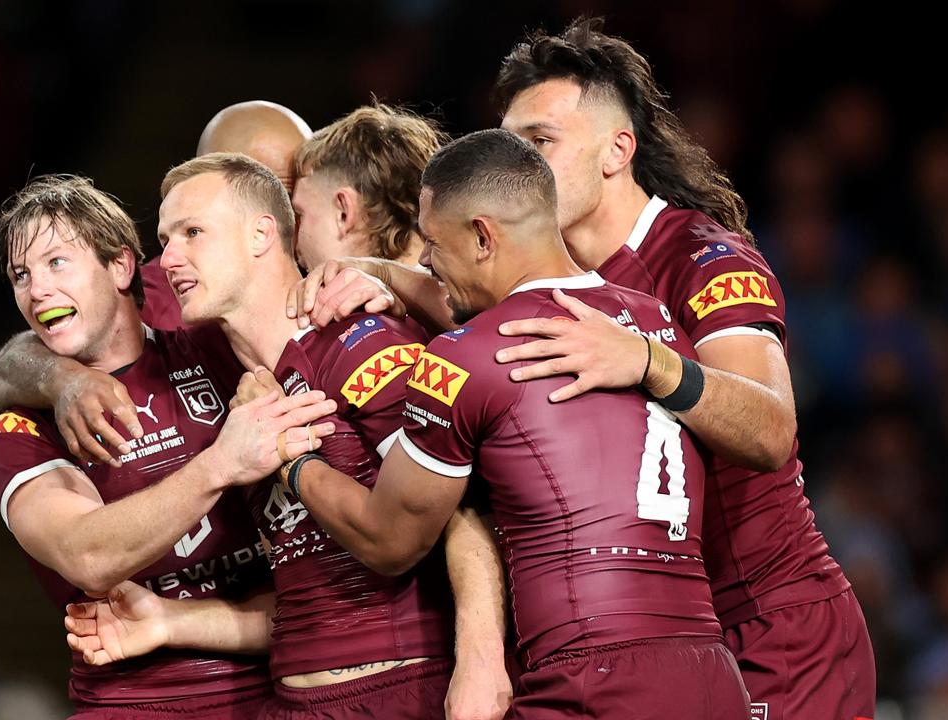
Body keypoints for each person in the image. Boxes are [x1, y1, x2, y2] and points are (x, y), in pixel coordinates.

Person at [292, 19, 874, 720]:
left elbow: (771, 428)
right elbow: (486, 324)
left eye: (541, 142)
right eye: (512, 144)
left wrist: (649, 362)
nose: (523, 161)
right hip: (662, 637)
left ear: (616, 150)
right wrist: (377, 273)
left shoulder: (702, 259)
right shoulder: (550, 275)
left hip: (773, 625)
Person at [278, 129, 748, 718]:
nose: (424, 260)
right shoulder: (651, 319)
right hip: (709, 669)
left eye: (432, 243)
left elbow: (389, 538)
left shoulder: (465, 358)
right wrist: (381, 272)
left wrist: (294, 462)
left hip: (590, 683)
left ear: (482, 236)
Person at [68, 152, 512, 720]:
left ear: (261, 234)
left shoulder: (358, 340)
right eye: (165, 239)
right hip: (292, 696)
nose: (170, 258)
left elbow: (462, 505)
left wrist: (481, 661)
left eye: (192, 233)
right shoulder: (231, 376)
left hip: (398, 689)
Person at [0, 174, 337, 718]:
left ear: (122, 266)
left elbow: (320, 594)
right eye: (20, 275)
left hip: (282, 686)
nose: (37, 290)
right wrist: (221, 462)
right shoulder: (18, 432)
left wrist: (376, 277)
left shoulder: (216, 350)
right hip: (133, 703)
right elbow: (89, 555)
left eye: (57, 263)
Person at [141, 101, 313, 330]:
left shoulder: (337, 282)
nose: (287, 219)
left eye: (292, 202)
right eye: (259, 189)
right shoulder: (142, 308)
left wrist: (376, 273)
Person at [291, 103, 442, 271]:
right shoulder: (454, 288)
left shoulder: (453, 296)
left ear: (344, 212)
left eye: (300, 215)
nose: (295, 242)